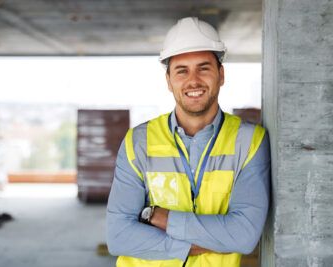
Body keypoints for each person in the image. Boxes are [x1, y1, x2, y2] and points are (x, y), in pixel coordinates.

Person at [106, 17, 270, 267]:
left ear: (221, 75)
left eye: (203, 68)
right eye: (182, 70)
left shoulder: (249, 142)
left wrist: (163, 218)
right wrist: (192, 245)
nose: (193, 80)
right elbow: (119, 237)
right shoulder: (138, 142)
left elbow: (244, 235)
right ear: (169, 81)